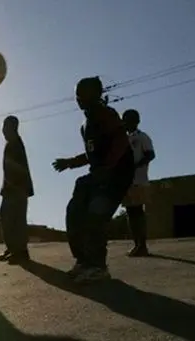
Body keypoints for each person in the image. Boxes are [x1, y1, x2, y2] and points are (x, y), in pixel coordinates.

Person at [52, 76, 135, 283]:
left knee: (95, 216)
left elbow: (120, 142)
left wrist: (107, 168)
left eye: (82, 94)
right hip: (98, 175)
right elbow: (91, 154)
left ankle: (98, 267)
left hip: (116, 175)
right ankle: (83, 261)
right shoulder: (85, 125)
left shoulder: (106, 114)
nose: (78, 98)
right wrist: (70, 162)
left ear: (95, 95)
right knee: (74, 211)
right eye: (77, 94)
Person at [0, 115, 34, 264]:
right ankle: (11, 248)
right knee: (5, 218)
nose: (3, 131)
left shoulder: (16, 144)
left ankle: (21, 252)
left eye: (5, 127)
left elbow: (17, 170)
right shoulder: (11, 144)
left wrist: (15, 188)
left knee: (16, 220)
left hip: (17, 189)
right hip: (10, 189)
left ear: (12, 128)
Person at [122, 109, 155, 257]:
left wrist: (136, 166)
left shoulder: (142, 137)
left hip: (139, 180)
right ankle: (137, 244)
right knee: (130, 212)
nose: (125, 123)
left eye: (128, 120)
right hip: (127, 181)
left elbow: (150, 154)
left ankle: (142, 245)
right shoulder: (124, 139)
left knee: (137, 212)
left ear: (136, 121)